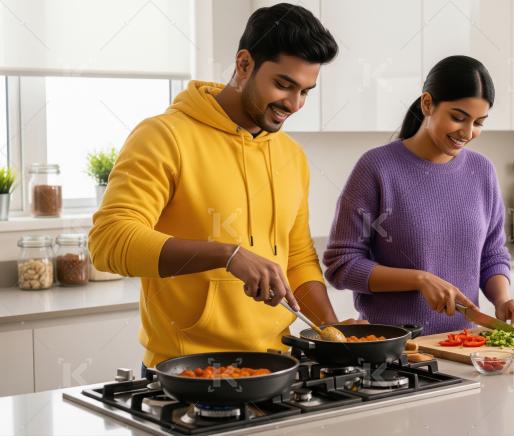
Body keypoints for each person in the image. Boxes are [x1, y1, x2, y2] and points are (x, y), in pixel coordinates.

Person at [89, 4, 353, 369]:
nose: (294, 104)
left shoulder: (291, 155)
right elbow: (109, 241)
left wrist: (332, 331)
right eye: (283, 85)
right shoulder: (164, 136)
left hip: (277, 366)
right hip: (187, 371)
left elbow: (297, 258)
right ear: (244, 64)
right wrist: (226, 255)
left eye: (306, 91)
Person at [323, 55, 514, 335]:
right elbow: (342, 265)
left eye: (479, 122)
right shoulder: (377, 168)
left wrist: (502, 299)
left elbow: (492, 254)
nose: (468, 132)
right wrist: (419, 280)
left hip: (464, 344)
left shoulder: (482, 171)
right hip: (394, 346)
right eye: (458, 118)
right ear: (427, 104)